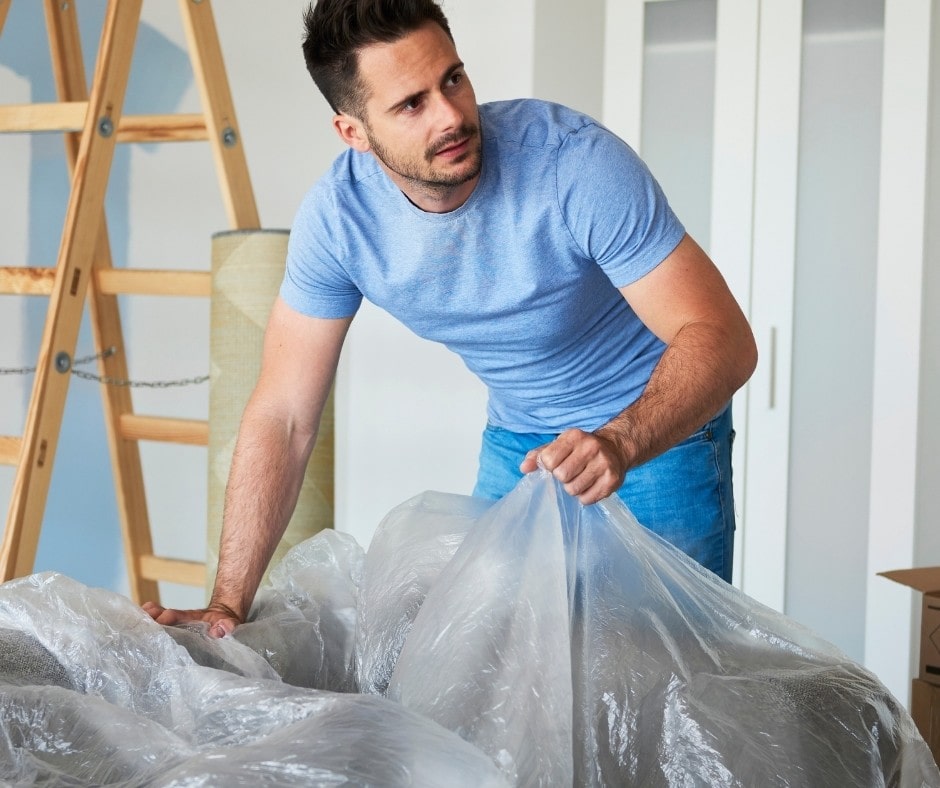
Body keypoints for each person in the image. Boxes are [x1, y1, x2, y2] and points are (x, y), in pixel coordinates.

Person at [143, 0, 757, 637]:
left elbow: (724, 338)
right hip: (521, 444)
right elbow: (284, 413)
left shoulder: (573, 164)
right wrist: (226, 605)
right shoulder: (338, 222)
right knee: (494, 663)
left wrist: (622, 442)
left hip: (655, 432)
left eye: (453, 79)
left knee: (664, 683)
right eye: (412, 103)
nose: (452, 115)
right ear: (353, 132)